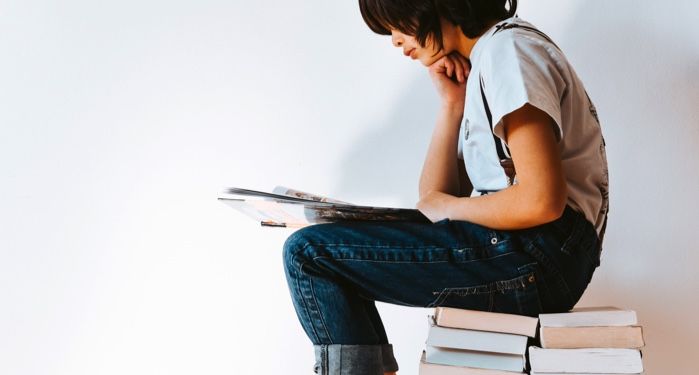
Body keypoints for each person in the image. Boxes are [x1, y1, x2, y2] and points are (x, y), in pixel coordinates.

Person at [282, 0, 610, 374]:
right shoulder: (491, 55)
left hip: (541, 251)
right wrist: (451, 105)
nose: (394, 40)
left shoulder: (509, 51)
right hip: (532, 251)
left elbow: (541, 200)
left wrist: (450, 208)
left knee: (309, 254)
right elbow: (431, 199)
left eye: (394, 24)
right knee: (321, 252)